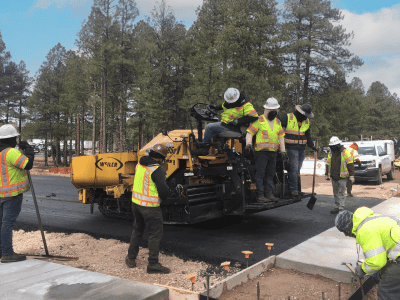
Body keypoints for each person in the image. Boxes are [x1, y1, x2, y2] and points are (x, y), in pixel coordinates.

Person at [335, 208, 400, 300]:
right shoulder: (370, 220)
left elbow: (376, 262)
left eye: (344, 231)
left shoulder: (364, 230)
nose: (345, 235)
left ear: (347, 227)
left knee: (386, 292)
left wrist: (362, 269)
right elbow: (384, 248)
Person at [126, 143, 171, 274]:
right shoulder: (157, 170)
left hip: (136, 203)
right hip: (150, 207)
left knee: (137, 230)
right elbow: (163, 191)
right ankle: (153, 264)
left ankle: (130, 259)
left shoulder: (139, 164)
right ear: (161, 158)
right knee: (155, 234)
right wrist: (167, 196)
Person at [0, 124, 35, 263]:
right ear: (12, 138)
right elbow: (28, 164)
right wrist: (29, 150)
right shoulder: (10, 152)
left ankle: (2, 251)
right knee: (7, 224)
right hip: (11, 195)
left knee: (1, 224)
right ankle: (7, 253)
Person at [195, 87, 258, 155]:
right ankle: (220, 150)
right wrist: (216, 107)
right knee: (214, 129)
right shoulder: (231, 102)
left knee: (209, 127)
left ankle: (204, 150)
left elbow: (254, 117)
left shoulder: (246, 105)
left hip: (234, 127)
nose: (228, 102)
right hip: (227, 124)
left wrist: (238, 121)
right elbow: (225, 106)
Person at [246, 98, 285, 202]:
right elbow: (250, 132)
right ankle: (260, 195)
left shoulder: (277, 122)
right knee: (260, 174)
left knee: (270, 173)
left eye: (275, 110)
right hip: (261, 152)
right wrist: (249, 143)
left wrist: (283, 150)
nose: (273, 112)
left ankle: (268, 194)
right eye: (271, 110)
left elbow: (281, 137)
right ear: (266, 109)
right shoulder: (259, 120)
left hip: (273, 152)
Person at [280, 104, 317, 197]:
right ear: (301, 113)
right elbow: (278, 129)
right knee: (294, 169)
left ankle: (295, 188)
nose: (306, 117)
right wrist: (280, 146)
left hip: (301, 148)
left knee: (298, 169)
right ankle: (293, 190)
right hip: (291, 147)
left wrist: (312, 146)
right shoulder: (288, 117)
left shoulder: (306, 121)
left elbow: (307, 135)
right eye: (305, 115)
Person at [325, 136, 355, 214]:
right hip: (334, 175)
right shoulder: (330, 153)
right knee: (335, 192)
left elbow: (350, 164)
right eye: (332, 146)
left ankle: (341, 207)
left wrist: (352, 175)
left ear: (338, 145)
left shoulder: (345, 152)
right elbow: (327, 164)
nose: (333, 147)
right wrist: (326, 174)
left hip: (342, 176)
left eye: (334, 146)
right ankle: (337, 206)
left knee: (341, 192)